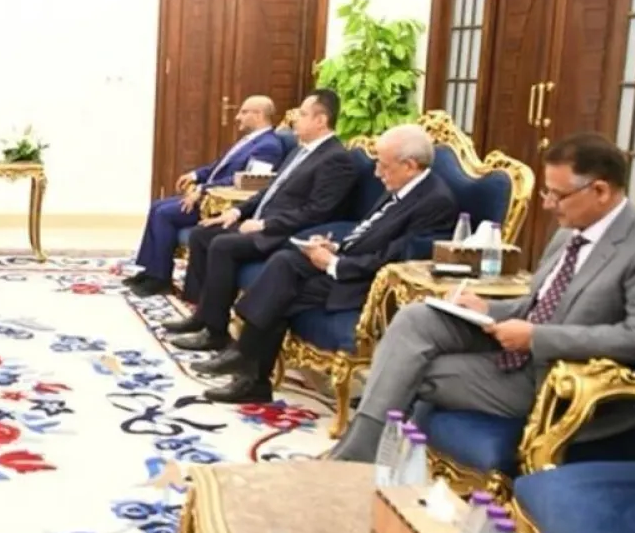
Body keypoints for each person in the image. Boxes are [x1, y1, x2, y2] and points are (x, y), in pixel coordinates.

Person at [332, 133, 635, 462]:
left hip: (556, 379)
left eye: (558, 194)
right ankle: (365, 457)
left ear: (601, 191)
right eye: (546, 191)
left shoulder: (634, 247)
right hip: (515, 348)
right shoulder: (570, 231)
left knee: (408, 368)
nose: (548, 203)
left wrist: (537, 337)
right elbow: (540, 302)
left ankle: (361, 459)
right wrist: (487, 308)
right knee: (415, 318)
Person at [194, 124, 458, 404]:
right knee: (285, 262)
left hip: (367, 281)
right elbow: (369, 231)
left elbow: (397, 258)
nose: (377, 173)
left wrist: (335, 263)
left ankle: (248, 367)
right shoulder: (404, 183)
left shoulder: (434, 202)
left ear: (409, 165)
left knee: (282, 291)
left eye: (383, 165)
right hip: (350, 260)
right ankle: (247, 366)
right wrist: (336, 246)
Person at [163, 89, 358, 352]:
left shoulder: (336, 159)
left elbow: (317, 211)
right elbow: (269, 190)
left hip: (286, 232)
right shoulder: (300, 151)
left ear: (321, 120)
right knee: (202, 234)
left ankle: (216, 331)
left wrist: (265, 224)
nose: (294, 121)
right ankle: (202, 316)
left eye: (301, 114)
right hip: (262, 221)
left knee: (222, 245)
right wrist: (237, 212)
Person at [126, 95, 285, 297]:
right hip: (209, 193)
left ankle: (160, 279)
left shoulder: (268, 146)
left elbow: (245, 182)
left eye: (244, 112)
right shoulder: (249, 141)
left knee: (165, 214)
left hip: (220, 203)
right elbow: (217, 167)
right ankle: (150, 271)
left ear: (259, 115)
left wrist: (202, 189)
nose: (237, 117)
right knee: (157, 206)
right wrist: (195, 175)